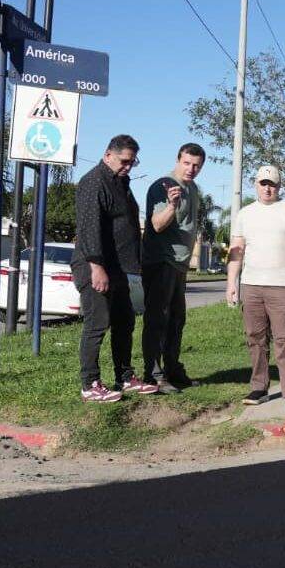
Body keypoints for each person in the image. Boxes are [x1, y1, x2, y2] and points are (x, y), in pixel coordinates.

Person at [72, 135, 155, 402]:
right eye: (124, 161)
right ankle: (90, 384)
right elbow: (89, 228)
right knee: (97, 323)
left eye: (133, 162)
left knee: (124, 322)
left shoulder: (120, 182)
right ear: (108, 155)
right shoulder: (94, 182)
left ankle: (125, 377)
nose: (128, 167)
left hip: (119, 268)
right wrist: (97, 267)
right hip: (97, 266)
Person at [227, 165, 285, 413]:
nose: (267, 188)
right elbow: (237, 250)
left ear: (279, 186)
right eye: (263, 183)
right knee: (255, 339)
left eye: (272, 183)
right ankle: (259, 388)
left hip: (282, 287)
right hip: (251, 286)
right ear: (256, 184)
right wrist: (231, 282)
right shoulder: (245, 214)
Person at [141, 143, 205, 394]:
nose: (191, 169)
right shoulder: (163, 185)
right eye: (187, 163)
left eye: (197, 165)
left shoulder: (193, 188)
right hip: (160, 261)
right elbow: (156, 225)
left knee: (177, 320)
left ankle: (172, 370)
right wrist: (171, 205)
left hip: (179, 264)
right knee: (157, 320)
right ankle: (153, 375)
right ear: (178, 159)